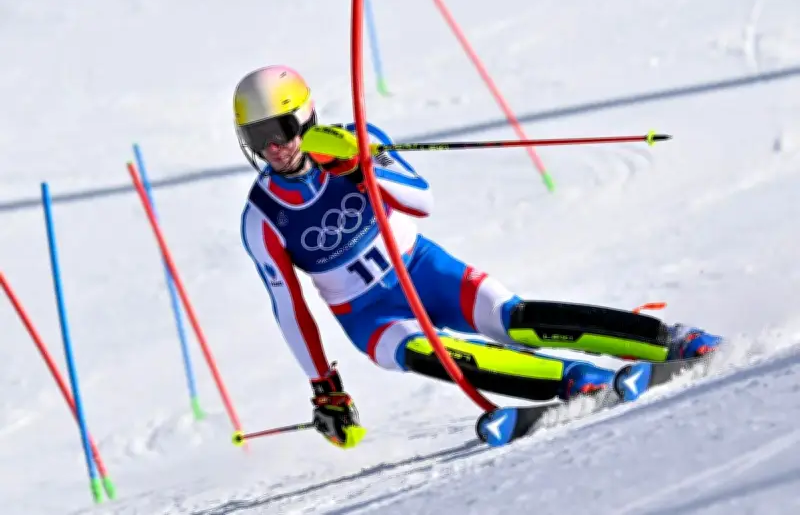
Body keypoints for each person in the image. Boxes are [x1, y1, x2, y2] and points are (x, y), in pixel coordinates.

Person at [234, 65, 722, 449]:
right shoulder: (262, 217)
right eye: (258, 138)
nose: (274, 147)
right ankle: (576, 382)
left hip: (424, 270)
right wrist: (325, 386)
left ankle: (668, 342)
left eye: (280, 128)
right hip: (368, 314)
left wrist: (365, 167)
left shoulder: (357, 139)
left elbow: (421, 200)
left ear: (306, 115)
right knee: (431, 353)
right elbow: (290, 309)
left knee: (514, 319)